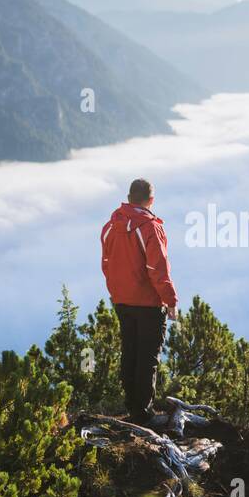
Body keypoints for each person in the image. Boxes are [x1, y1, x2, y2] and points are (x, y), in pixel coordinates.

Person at [100, 178, 179, 425]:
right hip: (148, 304)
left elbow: (106, 264)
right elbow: (158, 268)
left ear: (129, 196)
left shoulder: (111, 226)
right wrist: (170, 300)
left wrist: (116, 291)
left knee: (130, 352)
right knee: (147, 358)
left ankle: (132, 406)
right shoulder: (149, 227)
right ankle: (142, 414)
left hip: (122, 301)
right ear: (151, 200)